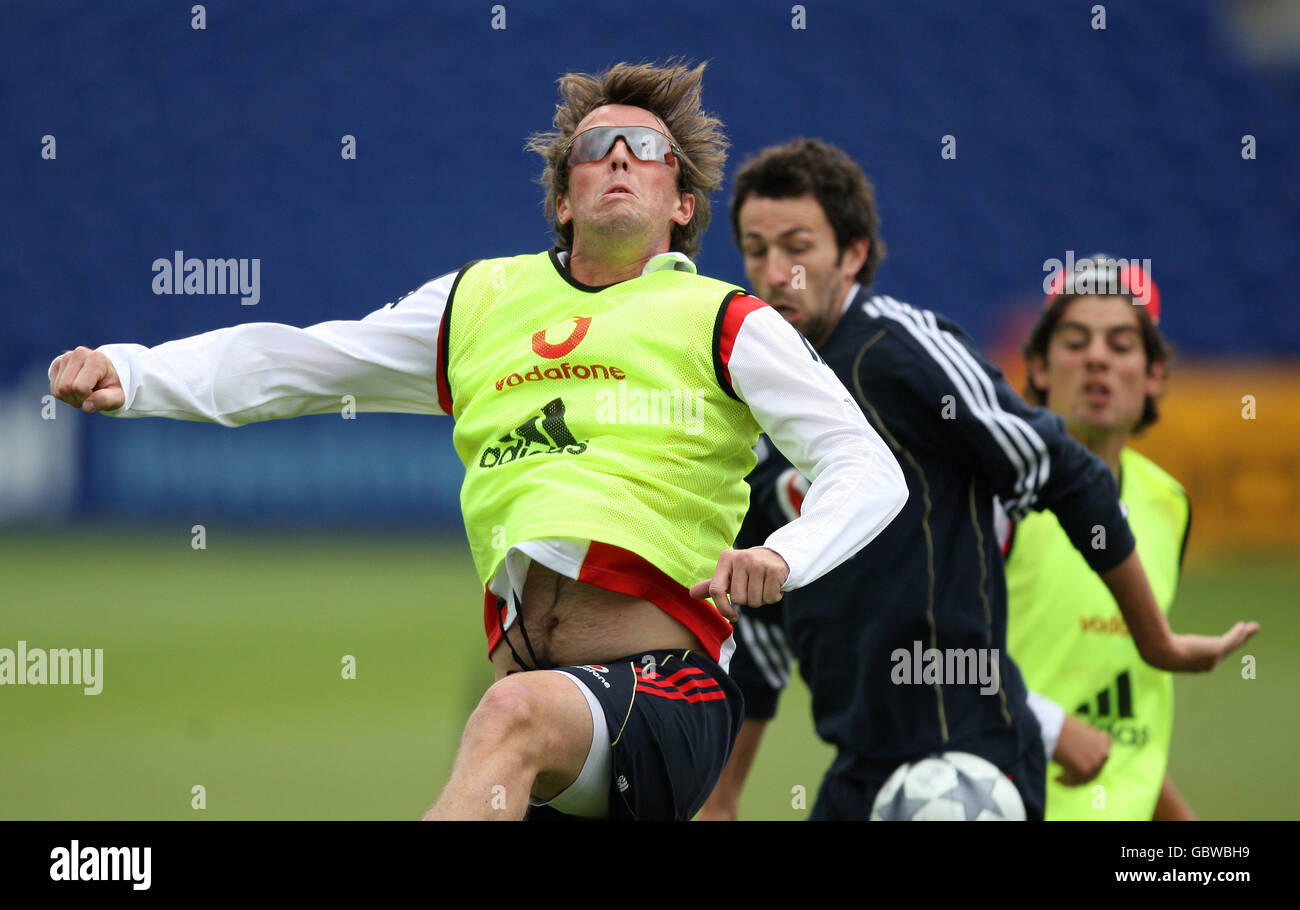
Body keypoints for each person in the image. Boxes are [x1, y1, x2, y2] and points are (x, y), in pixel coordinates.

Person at [45, 63, 910, 822]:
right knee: (509, 718)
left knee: (504, 722)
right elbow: (309, 359)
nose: (617, 156)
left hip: (664, 693)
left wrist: (787, 555)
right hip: (551, 728)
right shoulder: (480, 302)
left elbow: (867, 465)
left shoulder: (725, 318)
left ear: (682, 205)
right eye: (597, 144)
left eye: (644, 150)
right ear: (563, 197)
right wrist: (138, 373)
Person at [697, 139, 1256, 821]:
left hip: (972, 754)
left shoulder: (903, 353)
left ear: (852, 254)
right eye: (756, 250)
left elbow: (1063, 468)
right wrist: (721, 801)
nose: (776, 272)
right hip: (859, 765)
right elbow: (760, 633)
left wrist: (1155, 642)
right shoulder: (756, 396)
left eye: (798, 247)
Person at [1003, 256, 1197, 820]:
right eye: (1074, 341)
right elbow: (938, 659)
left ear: (1154, 373)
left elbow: (1130, 711)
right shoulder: (1000, 497)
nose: (1096, 359)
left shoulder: (1169, 505)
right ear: (1038, 366)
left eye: (1120, 345)